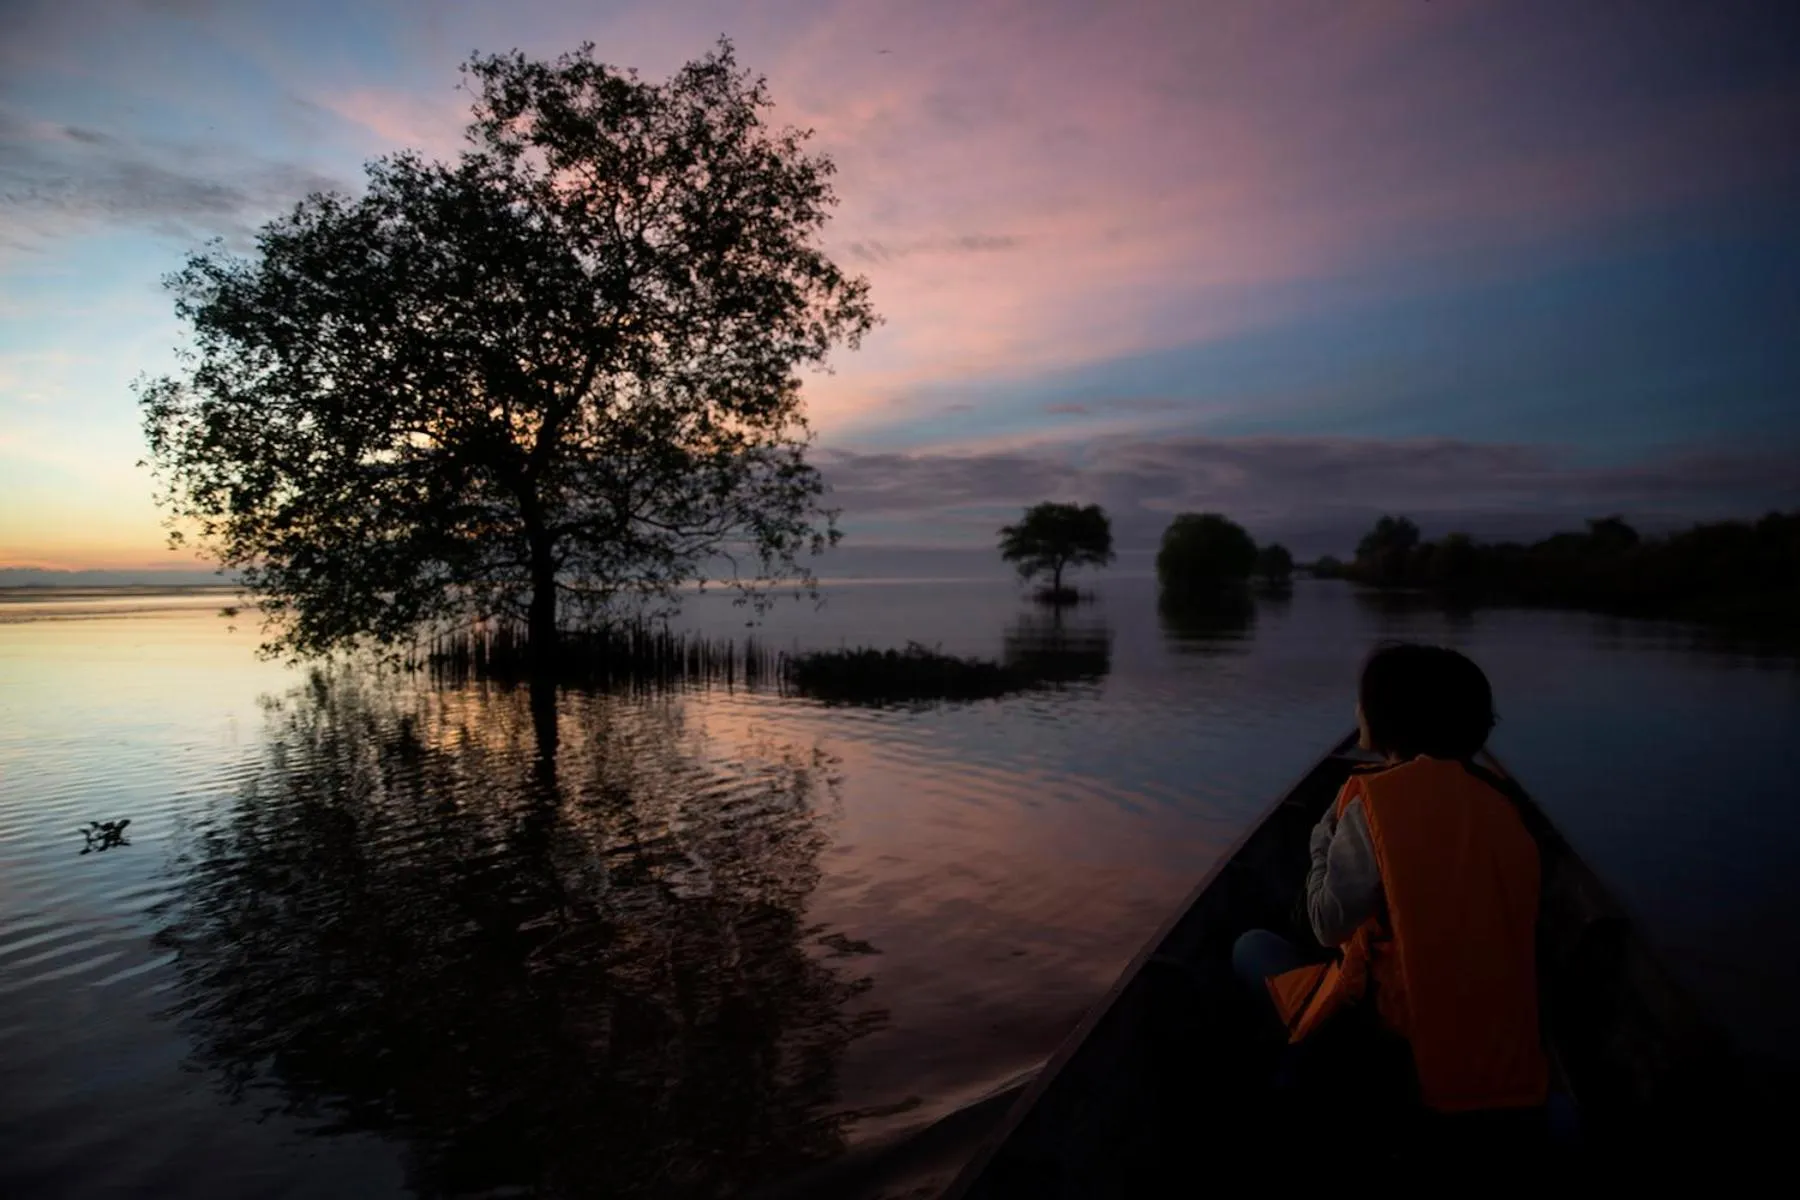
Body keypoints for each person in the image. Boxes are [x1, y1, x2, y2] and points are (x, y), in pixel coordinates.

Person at [1233, 643, 1548, 1120]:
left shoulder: (1375, 805)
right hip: (1506, 1054)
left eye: (1363, 700)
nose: (1356, 708)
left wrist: (1324, 836)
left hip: (1406, 1059)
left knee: (1251, 946)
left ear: (1386, 717)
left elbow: (1325, 925)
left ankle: (1300, 1076)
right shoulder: (1503, 805)